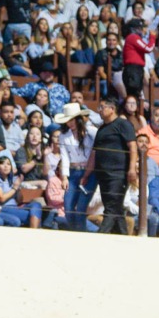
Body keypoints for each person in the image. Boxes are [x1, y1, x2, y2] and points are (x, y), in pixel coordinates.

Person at [83, 97, 137, 235]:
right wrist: (86, 174)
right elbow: (94, 153)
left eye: (101, 107)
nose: (99, 110)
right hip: (103, 174)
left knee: (111, 207)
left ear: (111, 108)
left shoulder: (123, 124)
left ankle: (101, 235)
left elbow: (133, 147)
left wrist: (131, 168)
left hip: (118, 173)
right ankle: (124, 236)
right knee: (114, 207)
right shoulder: (101, 129)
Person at [55, 102, 96, 232]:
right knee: (68, 206)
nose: (70, 123)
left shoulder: (91, 131)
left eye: (72, 120)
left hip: (89, 172)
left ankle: (81, 234)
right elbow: (64, 156)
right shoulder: (63, 136)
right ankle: (75, 232)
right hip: (73, 172)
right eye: (68, 120)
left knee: (81, 209)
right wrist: (65, 177)